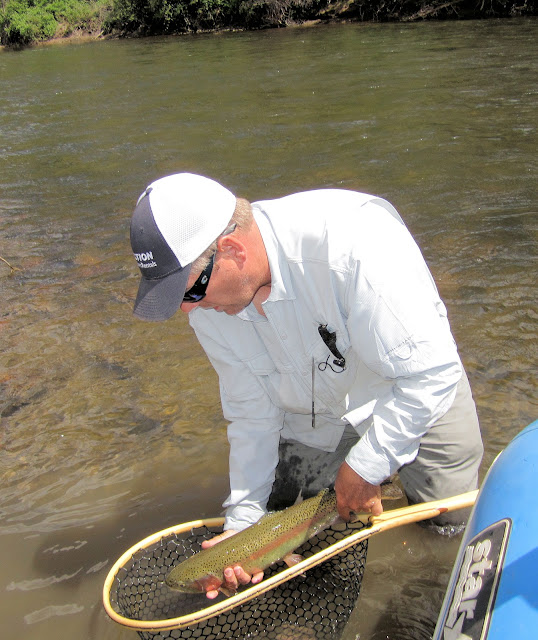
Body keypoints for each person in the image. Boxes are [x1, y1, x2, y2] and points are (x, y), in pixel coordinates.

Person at [130, 172, 483, 598]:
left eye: (189, 293)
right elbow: (251, 413)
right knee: (294, 522)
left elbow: (431, 374)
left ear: (233, 250)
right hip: (312, 412)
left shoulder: (356, 242)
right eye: (179, 299)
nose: (188, 311)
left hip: (411, 388)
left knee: (449, 528)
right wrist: (243, 521)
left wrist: (367, 466)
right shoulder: (209, 304)